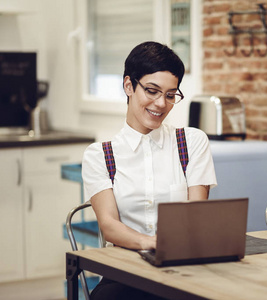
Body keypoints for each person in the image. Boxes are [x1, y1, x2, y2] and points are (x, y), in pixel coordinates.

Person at [82, 41, 217, 299]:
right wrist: (151, 243)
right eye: (152, 91)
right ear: (128, 86)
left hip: (183, 267)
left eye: (170, 95)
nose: (161, 104)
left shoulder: (192, 142)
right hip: (125, 271)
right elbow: (109, 226)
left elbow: (196, 214)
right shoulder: (99, 155)